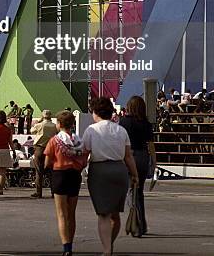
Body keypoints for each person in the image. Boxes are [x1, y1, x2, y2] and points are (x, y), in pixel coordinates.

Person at [82, 97, 139, 256]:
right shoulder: (121, 130)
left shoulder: (91, 130)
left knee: (103, 214)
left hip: (99, 171)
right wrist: (135, 175)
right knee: (115, 214)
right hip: (120, 171)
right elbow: (128, 156)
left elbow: (84, 153)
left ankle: (106, 249)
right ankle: (109, 246)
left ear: (95, 112)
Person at [44, 111, 88, 256]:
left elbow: (47, 162)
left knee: (61, 214)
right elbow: (84, 158)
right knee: (71, 214)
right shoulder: (79, 141)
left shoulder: (55, 140)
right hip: (74, 176)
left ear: (59, 124)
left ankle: (66, 247)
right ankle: (71, 241)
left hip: (59, 175)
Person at [119, 95, 156, 236]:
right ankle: (142, 224)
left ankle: (137, 223)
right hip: (143, 156)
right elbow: (151, 144)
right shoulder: (146, 123)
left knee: (131, 191)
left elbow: (120, 141)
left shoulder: (124, 122)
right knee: (139, 191)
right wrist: (154, 161)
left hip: (129, 155)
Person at [30, 109, 57, 198]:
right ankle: (53, 192)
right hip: (50, 148)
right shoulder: (54, 126)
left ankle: (39, 192)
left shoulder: (39, 125)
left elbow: (31, 130)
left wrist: (39, 121)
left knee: (39, 171)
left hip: (39, 148)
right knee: (51, 171)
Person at [0, 110, 16, 195]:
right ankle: (0, 189)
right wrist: (14, 150)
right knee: (3, 172)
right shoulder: (8, 129)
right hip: (5, 150)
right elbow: (10, 142)